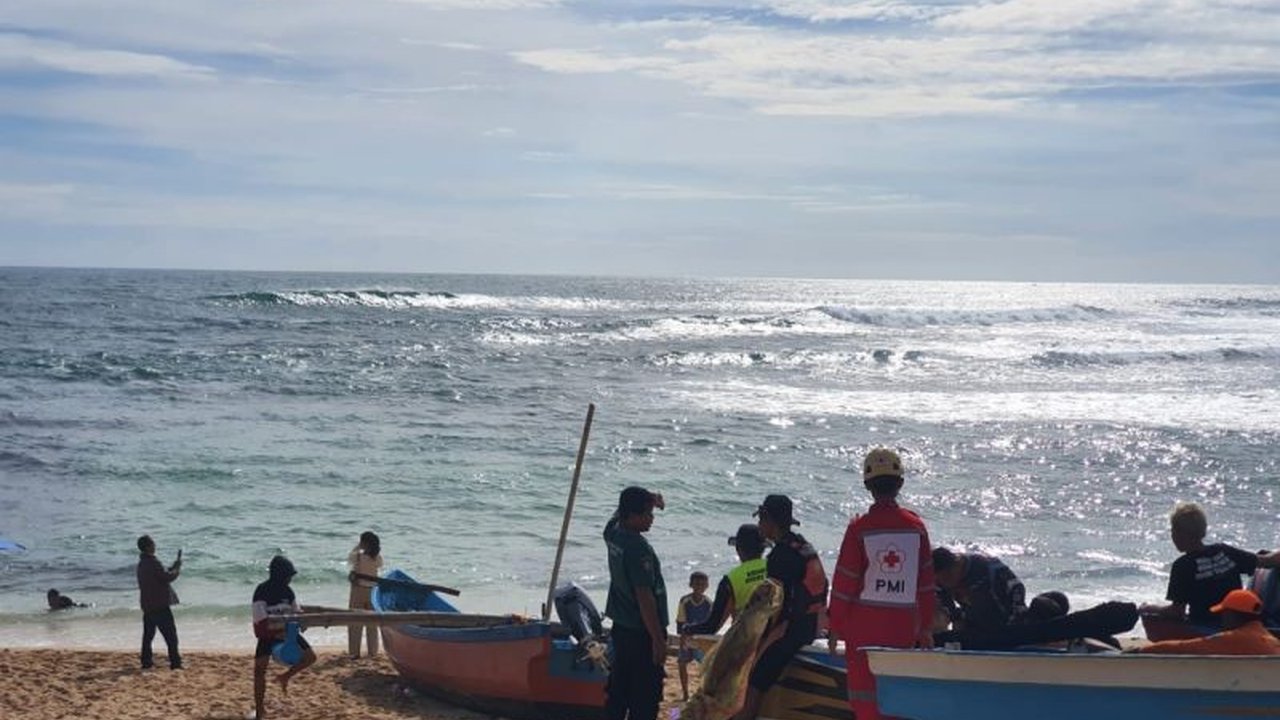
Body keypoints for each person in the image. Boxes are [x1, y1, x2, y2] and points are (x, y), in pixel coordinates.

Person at [828, 448, 935, 720]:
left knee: (865, 700)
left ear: (867, 485)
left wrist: (835, 625)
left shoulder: (859, 528)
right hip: (902, 629)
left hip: (861, 630)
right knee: (895, 698)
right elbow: (925, 584)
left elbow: (844, 583)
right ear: (900, 483)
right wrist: (925, 627)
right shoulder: (916, 527)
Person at [733, 494, 828, 720]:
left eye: (760, 520)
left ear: (770, 521)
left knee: (755, 677)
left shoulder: (780, 556)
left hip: (792, 630)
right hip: (812, 625)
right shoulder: (802, 545)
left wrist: (757, 641)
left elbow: (776, 607)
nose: (758, 526)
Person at [1141, 502, 1280, 627]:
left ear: (1180, 534)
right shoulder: (1224, 551)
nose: (1171, 535)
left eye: (1172, 531)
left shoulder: (1182, 566)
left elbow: (1177, 611)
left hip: (1205, 625)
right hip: (1237, 623)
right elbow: (1268, 561)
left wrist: (1149, 608)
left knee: (1150, 615)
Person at [603, 486, 668, 720]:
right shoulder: (637, 547)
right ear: (631, 516)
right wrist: (658, 640)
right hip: (642, 632)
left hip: (621, 628)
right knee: (645, 697)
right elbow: (645, 598)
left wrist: (649, 498)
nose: (651, 518)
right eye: (647, 514)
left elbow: (616, 514)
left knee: (618, 690)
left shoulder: (613, 533)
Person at [252, 555, 317, 720]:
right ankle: (260, 710)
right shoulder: (262, 591)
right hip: (268, 634)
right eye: (288, 576)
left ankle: (285, 676)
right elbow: (260, 620)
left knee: (310, 657)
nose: (290, 580)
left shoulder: (288, 592)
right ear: (279, 575)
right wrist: (275, 632)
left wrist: (302, 621)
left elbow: (296, 613)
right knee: (259, 670)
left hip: (287, 631)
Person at [680, 524, 769, 637]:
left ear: (738, 549)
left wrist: (687, 629)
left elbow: (712, 627)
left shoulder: (731, 579)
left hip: (746, 642)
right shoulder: (774, 568)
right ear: (763, 548)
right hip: (773, 639)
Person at [1132, 589, 1280, 655]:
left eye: (1224, 614)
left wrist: (1142, 651)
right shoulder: (1265, 635)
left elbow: (1185, 647)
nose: (1222, 619)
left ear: (1233, 615)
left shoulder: (1234, 638)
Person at [933, 547, 1028, 636]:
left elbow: (1017, 587)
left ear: (958, 563)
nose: (946, 583)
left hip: (1006, 621)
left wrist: (1016, 617)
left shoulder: (988, 567)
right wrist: (956, 619)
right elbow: (947, 603)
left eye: (948, 576)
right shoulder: (941, 582)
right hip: (975, 626)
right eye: (941, 579)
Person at [135, 534, 182, 670]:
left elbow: (160, 574)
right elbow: (167, 577)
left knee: (148, 636)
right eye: (153, 544)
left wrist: (172, 566)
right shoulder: (153, 563)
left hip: (147, 605)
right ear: (149, 547)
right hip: (160, 606)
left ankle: (146, 662)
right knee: (171, 636)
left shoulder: (142, 564)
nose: (155, 546)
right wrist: (177, 569)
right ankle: (175, 663)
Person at [675, 571, 712, 701]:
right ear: (691, 584)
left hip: (701, 640)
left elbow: (710, 625)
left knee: (705, 666)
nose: (699, 587)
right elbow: (680, 623)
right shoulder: (685, 601)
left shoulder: (708, 603)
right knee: (681, 663)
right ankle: (685, 692)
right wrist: (682, 642)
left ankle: (702, 691)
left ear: (707, 585)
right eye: (697, 584)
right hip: (687, 638)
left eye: (703, 584)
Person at [347, 530, 383, 658]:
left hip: (359, 590)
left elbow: (349, 558)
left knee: (354, 622)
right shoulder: (377, 558)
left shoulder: (358, 556)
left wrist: (357, 547)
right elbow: (380, 566)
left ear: (364, 543)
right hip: (373, 591)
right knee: (372, 623)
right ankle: (372, 651)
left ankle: (354, 652)